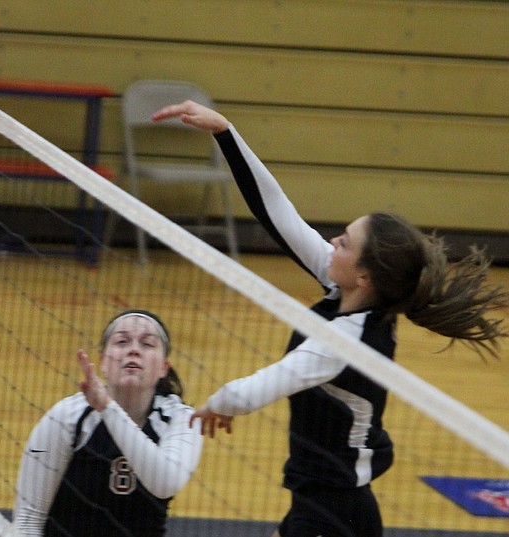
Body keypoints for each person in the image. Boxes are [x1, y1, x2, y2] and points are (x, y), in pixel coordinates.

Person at [151, 101, 508, 537]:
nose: (332, 241)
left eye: (344, 242)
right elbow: (279, 214)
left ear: (364, 274)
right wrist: (226, 133)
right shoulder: (351, 292)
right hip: (332, 504)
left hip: (331, 515)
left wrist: (210, 408)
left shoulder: (345, 340)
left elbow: (263, 386)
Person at [13, 310, 204, 537]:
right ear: (103, 363)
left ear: (164, 367)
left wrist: (107, 407)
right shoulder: (65, 417)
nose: (134, 350)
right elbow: (27, 519)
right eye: (122, 341)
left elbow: (164, 483)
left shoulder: (182, 419)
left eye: (147, 344)